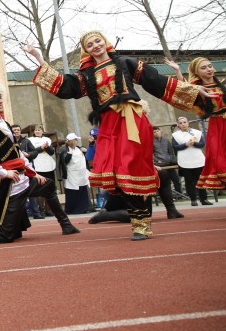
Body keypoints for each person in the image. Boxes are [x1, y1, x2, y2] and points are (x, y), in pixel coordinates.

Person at [23, 32, 209, 240]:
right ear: (86, 51)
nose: (95, 45)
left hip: (132, 121)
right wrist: (38, 58)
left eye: (98, 41)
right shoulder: (87, 74)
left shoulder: (125, 63)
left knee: (133, 168)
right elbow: (65, 86)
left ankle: (141, 224)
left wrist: (191, 90)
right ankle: (137, 218)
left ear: (105, 42)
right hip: (108, 126)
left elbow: (155, 81)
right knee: (116, 174)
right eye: (90, 44)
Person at [0, 78, 79, 245]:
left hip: (25, 178)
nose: (0, 101)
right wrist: (2, 172)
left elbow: (18, 154)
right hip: (13, 185)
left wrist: (34, 173)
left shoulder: (5, 124)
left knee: (48, 185)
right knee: (4, 236)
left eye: (0, 97)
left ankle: (66, 225)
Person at [187, 57, 226, 192]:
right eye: (203, 68)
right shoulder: (197, 90)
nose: (209, 69)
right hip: (216, 125)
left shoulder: (223, 83)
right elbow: (184, 92)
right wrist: (177, 71)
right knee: (217, 159)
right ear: (196, 72)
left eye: (210, 66)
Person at [172, 116, 211, 206]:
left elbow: (202, 144)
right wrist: (186, 144)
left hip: (197, 159)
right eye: (181, 123)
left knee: (200, 180)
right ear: (178, 125)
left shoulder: (196, 132)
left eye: (184, 122)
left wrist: (194, 144)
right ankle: (193, 199)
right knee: (189, 181)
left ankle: (204, 199)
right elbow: (175, 147)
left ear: (188, 123)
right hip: (185, 161)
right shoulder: (175, 135)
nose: (183, 124)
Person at [23, 125, 55, 219]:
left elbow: (51, 152)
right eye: (36, 130)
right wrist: (41, 147)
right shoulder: (30, 140)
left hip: (48, 165)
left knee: (49, 188)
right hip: (37, 166)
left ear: (43, 131)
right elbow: (32, 152)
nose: (37, 131)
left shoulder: (47, 139)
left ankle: (49, 210)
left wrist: (46, 147)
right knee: (39, 189)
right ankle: (41, 210)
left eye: (39, 130)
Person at [152, 126, 185, 218]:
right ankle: (171, 210)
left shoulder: (165, 140)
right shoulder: (150, 141)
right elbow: (150, 154)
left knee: (173, 181)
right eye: (154, 132)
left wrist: (171, 159)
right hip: (158, 166)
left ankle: (172, 209)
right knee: (161, 182)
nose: (156, 133)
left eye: (157, 131)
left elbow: (171, 151)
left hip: (168, 164)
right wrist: (155, 162)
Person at [58, 133, 91, 214]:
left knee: (82, 191)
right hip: (72, 175)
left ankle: (83, 208)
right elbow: (64, 162)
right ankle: (73, 210)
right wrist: (69, 155)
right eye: (75, 140)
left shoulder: (79, 148)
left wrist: (85, 151)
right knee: (73, 192)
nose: (77, 141)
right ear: (71, 141)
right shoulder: (64, 149)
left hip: (81, 174)